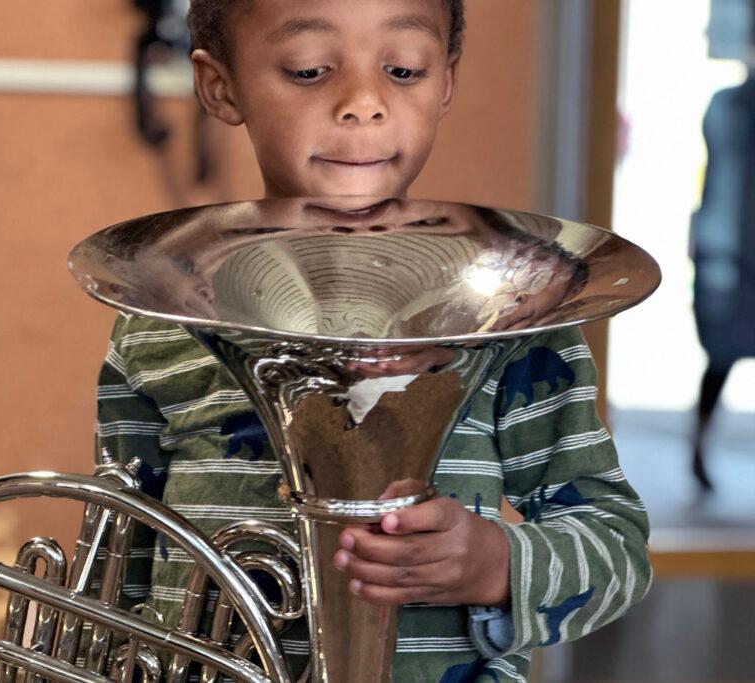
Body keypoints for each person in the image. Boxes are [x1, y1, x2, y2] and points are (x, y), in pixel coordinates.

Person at [95, 1, 652, 680]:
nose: (363, 103)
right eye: (307, 70)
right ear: (220, 86)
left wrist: (492, 563)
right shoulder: (157, 312)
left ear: (445, 81)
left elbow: (615, 544)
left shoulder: (516, 313)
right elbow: (119, 552)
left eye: (402, 69)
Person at [689, 67, 755, 491]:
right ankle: (697, 451)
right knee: (719, 360)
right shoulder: (729, 106)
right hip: (730, 256)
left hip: (726, 253)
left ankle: (697, 451)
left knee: (719, 363)